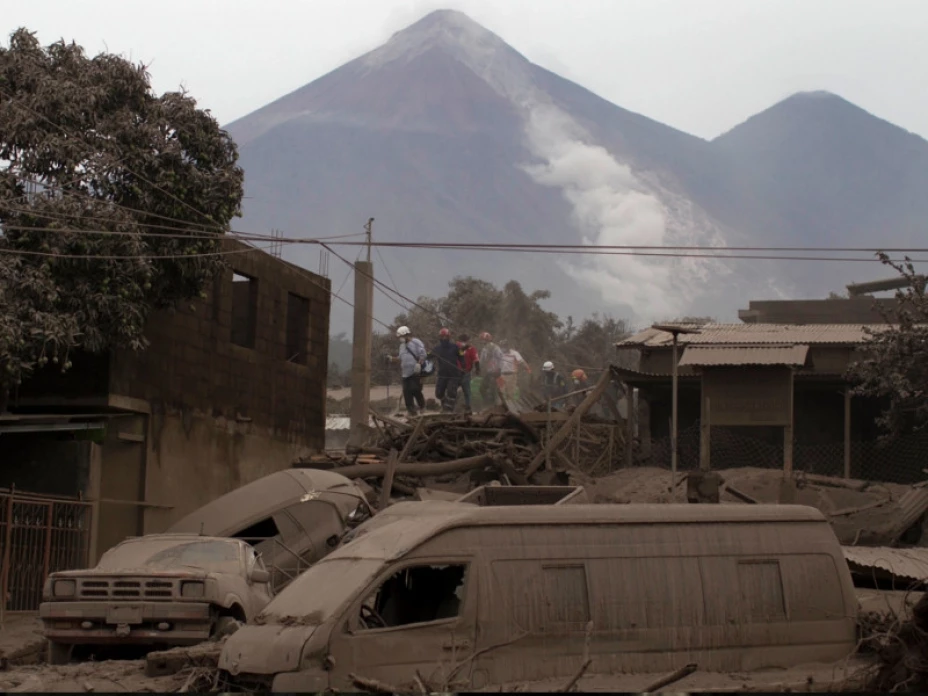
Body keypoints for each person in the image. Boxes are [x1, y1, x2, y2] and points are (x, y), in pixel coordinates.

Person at [391, 326, 426, 416]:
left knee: (415, 389)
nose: (400, 339)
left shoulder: (416, 342)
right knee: (407, 392)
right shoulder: (401, 346)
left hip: (416, 372)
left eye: (401, 336)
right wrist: (391, 358)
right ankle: (411, 411)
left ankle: (422, 405)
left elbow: (423, 354)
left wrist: (419, 363)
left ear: (406, 335)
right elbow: (400, 358)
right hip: (405, 373)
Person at [429, 327, 462, 412]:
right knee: (439, 393)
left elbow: (462, 357)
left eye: (446, 337)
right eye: (442, 337)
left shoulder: (455, 347)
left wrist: (463, 368)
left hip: (453, 375)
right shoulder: (437, 348)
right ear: (440, 337)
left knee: (451, 393)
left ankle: (449, 410)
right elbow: (429, 356)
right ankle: (444, 405)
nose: (444, 338)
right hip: (442, 374)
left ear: (449, 337)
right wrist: (421, 358)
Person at [456, 334, 480, 415]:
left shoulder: (470, 348)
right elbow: (476, 360)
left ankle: (465, 407)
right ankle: (465, 408)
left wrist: (477, 368)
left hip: (461, 372)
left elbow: (476, 359)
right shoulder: (468, 348)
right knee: (463, 391)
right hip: (460, 372)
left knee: (462, 391)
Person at [477, 332, 503, 408]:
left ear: (485, 340)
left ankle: (492, 406)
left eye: (482, 340)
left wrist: (499, 369)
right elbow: (501, 358)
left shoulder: (489, 348)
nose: (481, 342)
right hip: (493, 372)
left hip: (493, 372)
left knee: (487, 389)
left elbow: (481, 361)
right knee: (488, 389)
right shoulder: (494, 347)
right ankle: (491, 404)